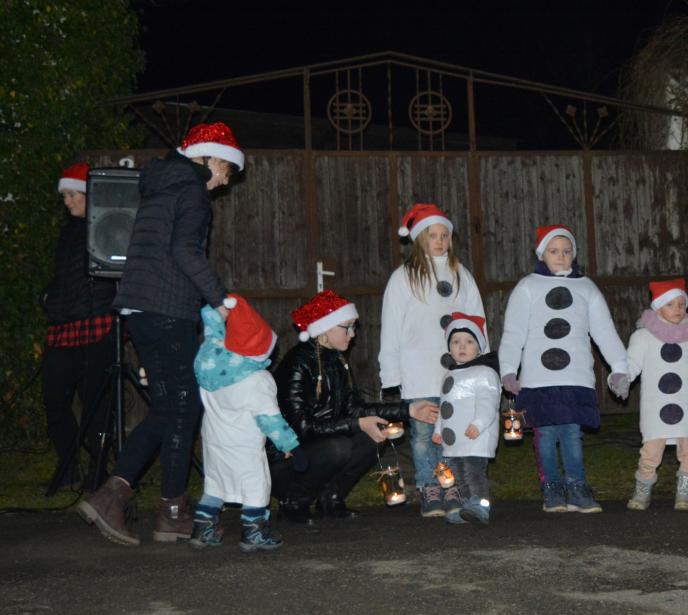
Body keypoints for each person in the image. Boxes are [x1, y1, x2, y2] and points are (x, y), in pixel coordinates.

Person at [78, 122, 244, 547]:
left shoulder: (162, 185)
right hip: (167, 309)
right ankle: (159, 508)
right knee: (184, 407)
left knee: (171, 408)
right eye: (227, 169)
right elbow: (184, 251)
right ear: (209, 158)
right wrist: (219, 299)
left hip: (141, 309)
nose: (225, 180)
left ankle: (129, 498)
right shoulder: (192, 191)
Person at [271, 290, 439, 526]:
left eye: (354, 327)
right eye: (347, 327)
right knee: (338, 447)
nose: (353, 334)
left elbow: (356, 409)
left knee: (372, 438)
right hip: (286, 461)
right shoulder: (297, 364)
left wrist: (409, 411)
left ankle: (331, 498)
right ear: (325, 329)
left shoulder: (337, 360)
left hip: (319, 447)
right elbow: (302, 427)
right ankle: (293, 502)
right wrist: (357, 423)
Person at [498, 225, 629, 514]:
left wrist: (619, 367)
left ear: (574, 254)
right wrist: (508, 369)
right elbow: (514, 332)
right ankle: (552, 487)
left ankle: (577, 486)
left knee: (571, 432)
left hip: (575, 377)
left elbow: (604, 330)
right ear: (541, 254)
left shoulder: (586, 287)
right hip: (538, 378)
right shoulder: (527, 287)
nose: (561, 256)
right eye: (554, 251)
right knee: (545, 435)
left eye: (567, 251)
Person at [379, 203, 484, 518]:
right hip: (419, 371)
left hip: (455, 372)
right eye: (432, 236)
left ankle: (450, 485)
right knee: (424, 435)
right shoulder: (403, 277)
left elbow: (477, 319)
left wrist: (481, 364)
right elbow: (391, 328)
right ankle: (429, 487)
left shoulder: (460, 274)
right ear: (419, 239)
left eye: (444, 235)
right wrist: (391, 375)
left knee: (450, 431)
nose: (439, 241)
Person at [191, 295, 299, 551]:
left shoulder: (212, 371)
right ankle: (254, 532)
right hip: (244, 445)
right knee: (255, 485)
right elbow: (269, 418)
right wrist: (288, 444)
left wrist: (216, 316)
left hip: (215, 443)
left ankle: (202, 529)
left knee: (216, 484)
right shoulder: (257, 380)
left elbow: (214, 335)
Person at [42, 162, 115, 493]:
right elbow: (64, 276)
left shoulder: (108, 226)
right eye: (65, 196)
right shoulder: (66, 231)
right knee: (54, 398)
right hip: (63, 325)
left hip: (96, 324)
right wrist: (48, 297)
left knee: (95, 403)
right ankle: (68, 465)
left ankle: (98, 470)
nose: (67, 201)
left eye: (73, 195)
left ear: (89, 194)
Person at [620, 279, 688, 511]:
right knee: (651, 451)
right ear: (658, 308)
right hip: (656, 406)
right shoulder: (643, 337)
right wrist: (622, 378)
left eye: (682, 304)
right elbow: (632, 364)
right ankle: (642, 490)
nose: (678, 309)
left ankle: (684, 492)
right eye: (670, 304)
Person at [432, 313, 500, 525]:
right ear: (449, 347)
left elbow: (488, 402)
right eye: (456, 342)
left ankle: (480, 506)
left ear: (479, 347)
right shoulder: (449, 374)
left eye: (469, 341)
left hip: (474, 436)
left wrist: (478, 424)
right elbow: (444, 406)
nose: (462, 346)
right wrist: (438, 429)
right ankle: (465, 507)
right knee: (458, 474)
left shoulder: (484, 372)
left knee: (473, 472)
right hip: (454, 439)